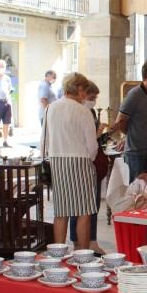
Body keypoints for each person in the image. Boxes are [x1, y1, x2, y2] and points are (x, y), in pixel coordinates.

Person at [40, 73, 98, 250]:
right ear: (79, 89)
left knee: (61, 212)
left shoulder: (50, 108)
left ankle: (58, 254)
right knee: (84, 211)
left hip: (57, 162)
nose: (85, 95)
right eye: (85, 91)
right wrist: (90, 159)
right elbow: (92, 144)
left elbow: (44, 140)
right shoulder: (83, 110)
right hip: (80, 161)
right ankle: (82, 253)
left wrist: (47, 160)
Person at [69, 81, 108, 255]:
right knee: (79, 206)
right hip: (83, 162)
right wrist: (97, 134)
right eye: (91, 97)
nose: (93, 101)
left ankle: (91, 241)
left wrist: (100, 134)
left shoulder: (89, 111)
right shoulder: (78, 112)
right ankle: (79, 243)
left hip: (91, 162)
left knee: (92, 206)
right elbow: (86, 140)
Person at [112, 58, 147, 179]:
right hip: (136, 153)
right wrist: (133, 134)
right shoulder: (135, 94)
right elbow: (121, 121)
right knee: (137, 192)